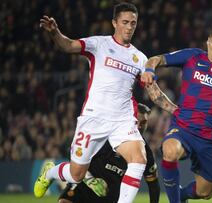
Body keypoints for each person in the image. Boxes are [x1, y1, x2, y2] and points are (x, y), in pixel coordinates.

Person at [34, 2, 177, 203]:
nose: (129, 27)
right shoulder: (99, 44)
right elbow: (68, 45)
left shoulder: (139, 58)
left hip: (122, 120)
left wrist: (177, 110)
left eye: (133, 23)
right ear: (114, 23)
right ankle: (50, 172)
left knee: (139, 160)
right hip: (94, 118)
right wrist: (55, 33)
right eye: (125, 22)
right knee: (77, 174)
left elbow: (154, 92)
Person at [141, 23, 212, 203]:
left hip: (210, 138)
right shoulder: (192, 57)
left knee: (205, 192)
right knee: (169, 151)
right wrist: (150, 70)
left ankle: (181, 196)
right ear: (208, 42)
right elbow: (156, 59)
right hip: (184, 127)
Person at [58, 103, 160, 203]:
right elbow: (72, 153)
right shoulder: (104, 134)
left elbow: (153, 184)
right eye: (136, 121)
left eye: (144, 123)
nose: (139, 127)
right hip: (85, 185)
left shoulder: (145, 151)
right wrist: (90, 180)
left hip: (110, 197)